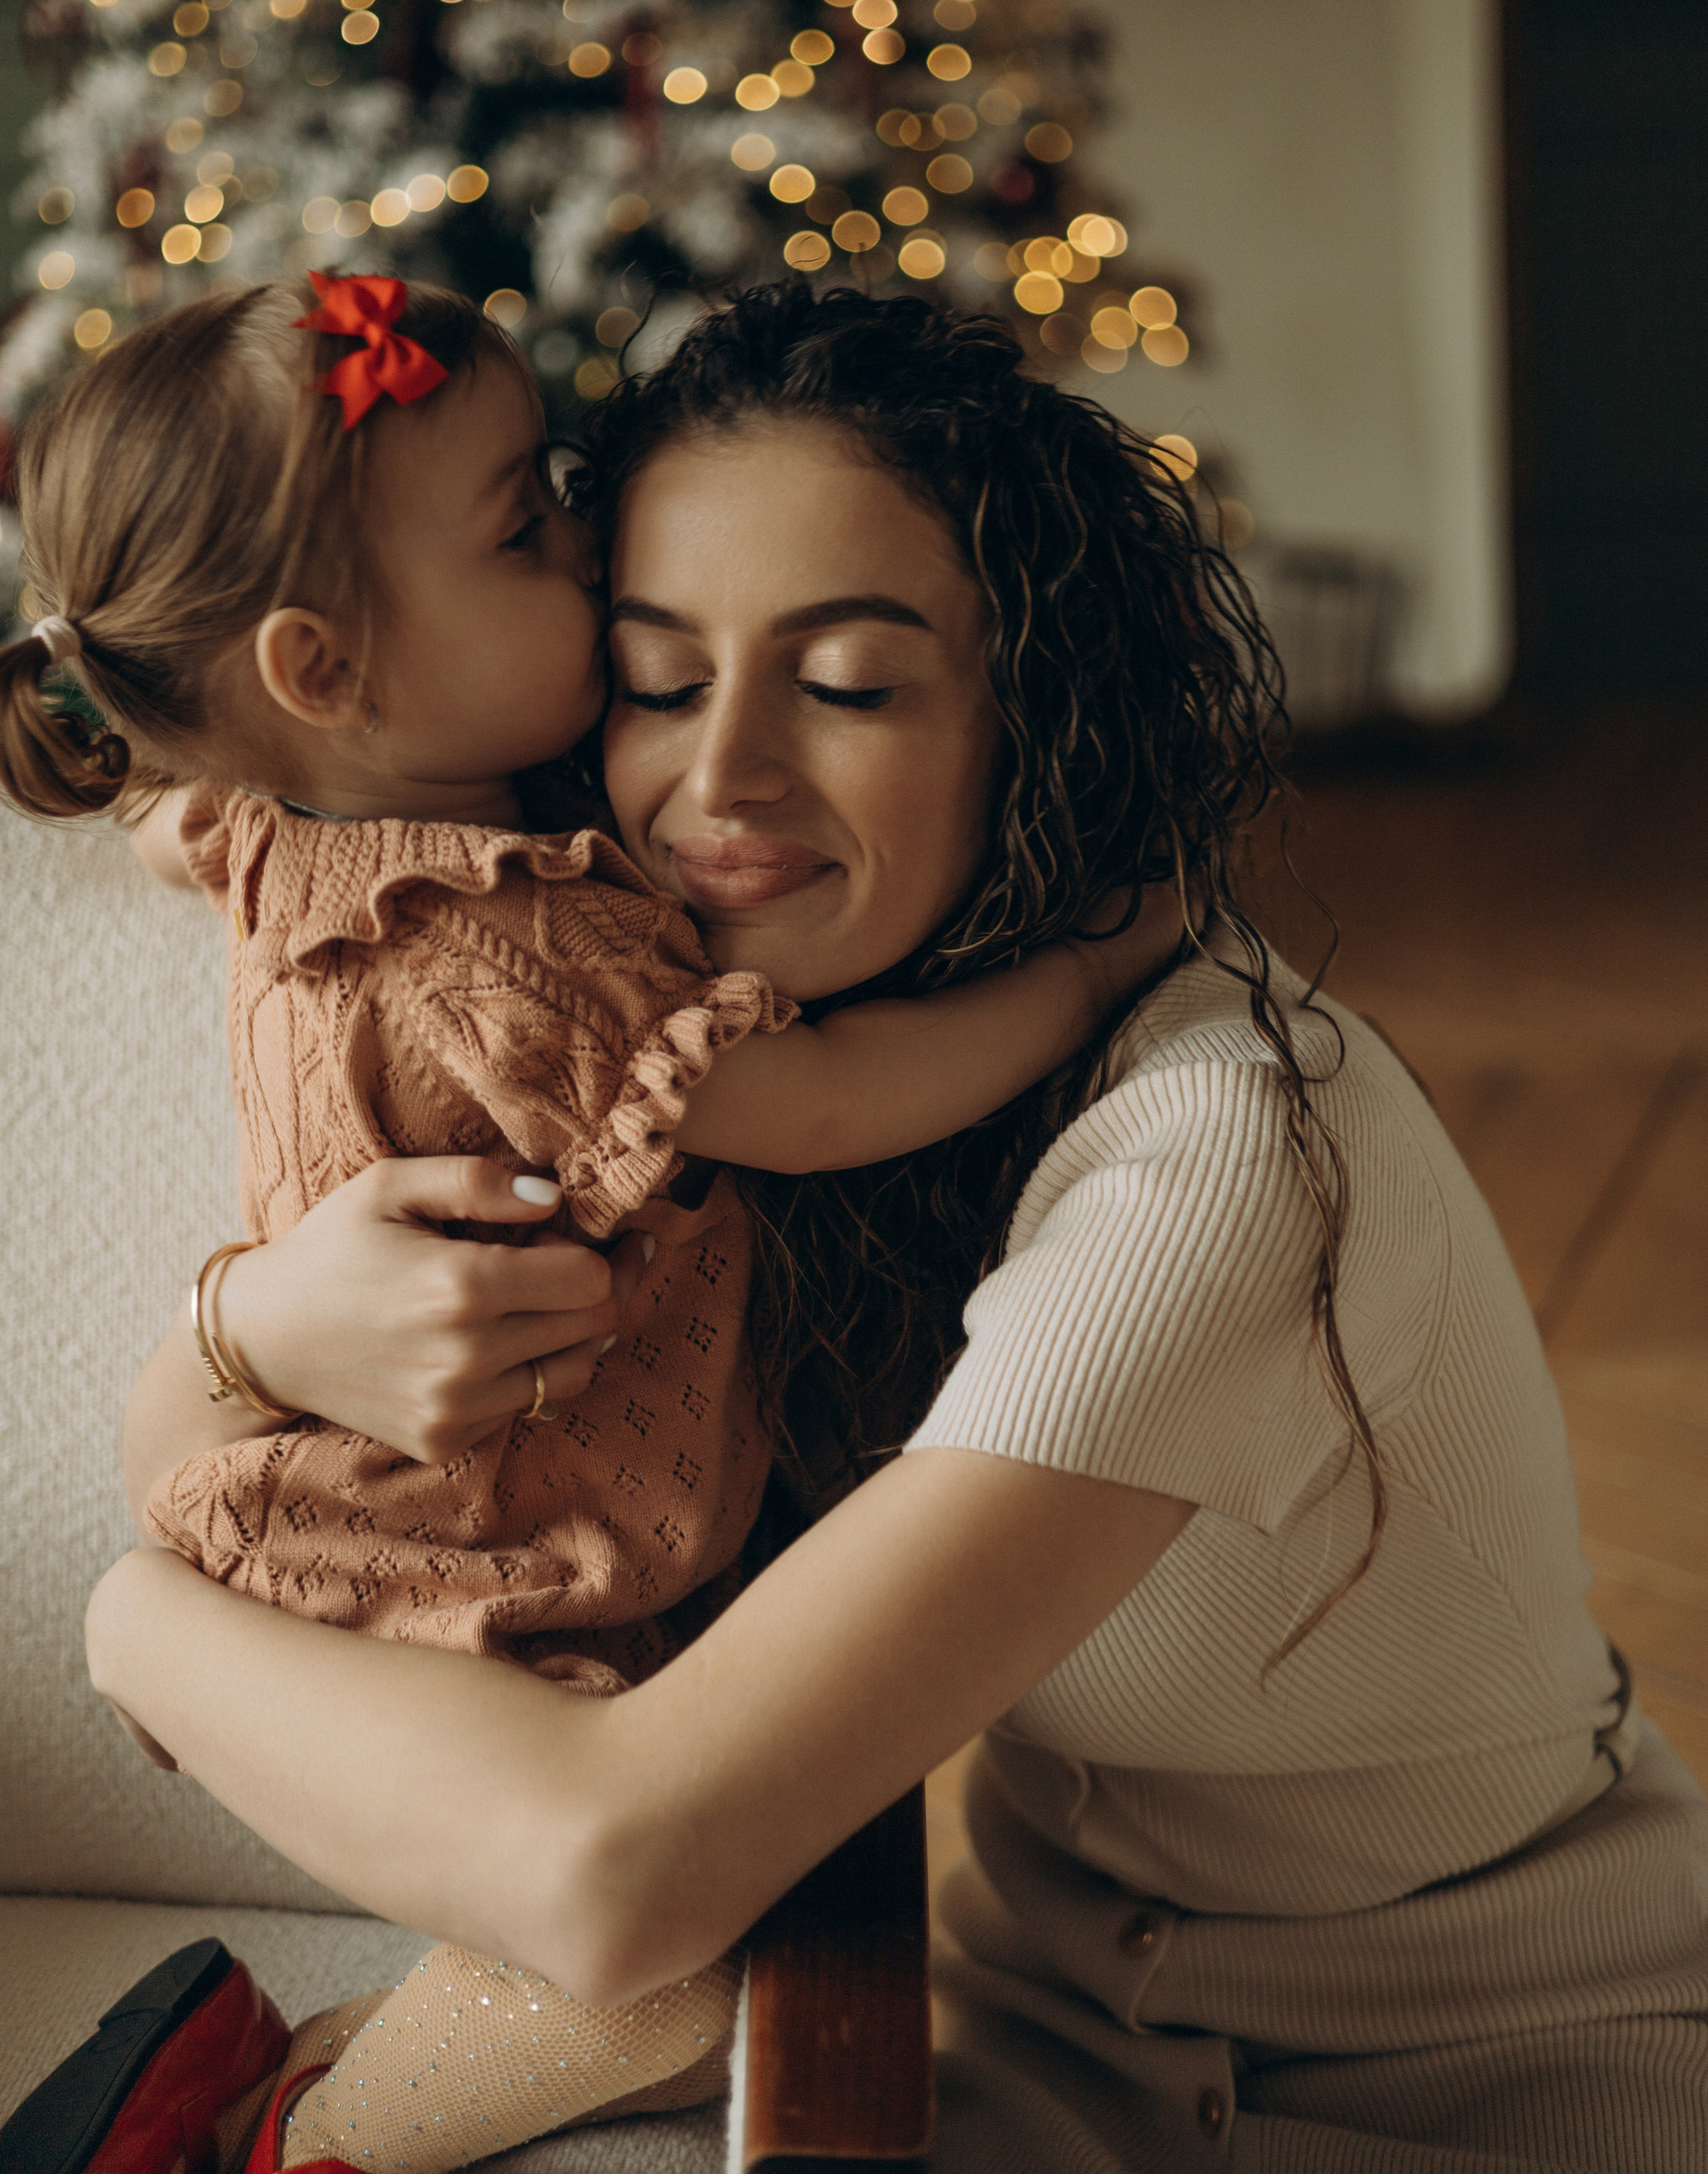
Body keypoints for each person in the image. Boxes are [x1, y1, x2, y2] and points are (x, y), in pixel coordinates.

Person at [75, 286, 1708, 2171]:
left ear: (1034, 709)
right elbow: (197, 1447)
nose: (724, 780)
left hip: (1504, 2088)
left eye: (847, 685)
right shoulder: (655, 1045)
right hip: (1041, 2054)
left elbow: (619, 1876)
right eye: (660, 678)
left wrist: (131, 1624)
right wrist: (251, 1327)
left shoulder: (1217, 1170)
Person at [0, 276, 1152, 2173]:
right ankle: (297, 2147)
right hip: (468, 1553)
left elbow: (166, 805)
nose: (584, 538)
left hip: (358, 1500)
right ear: (321, 669)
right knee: (662, 1977)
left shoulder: (280, 813)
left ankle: (251, 2062)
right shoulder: (506, 946)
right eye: (530, 529)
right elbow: (833, 1102)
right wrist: (1102, 960)